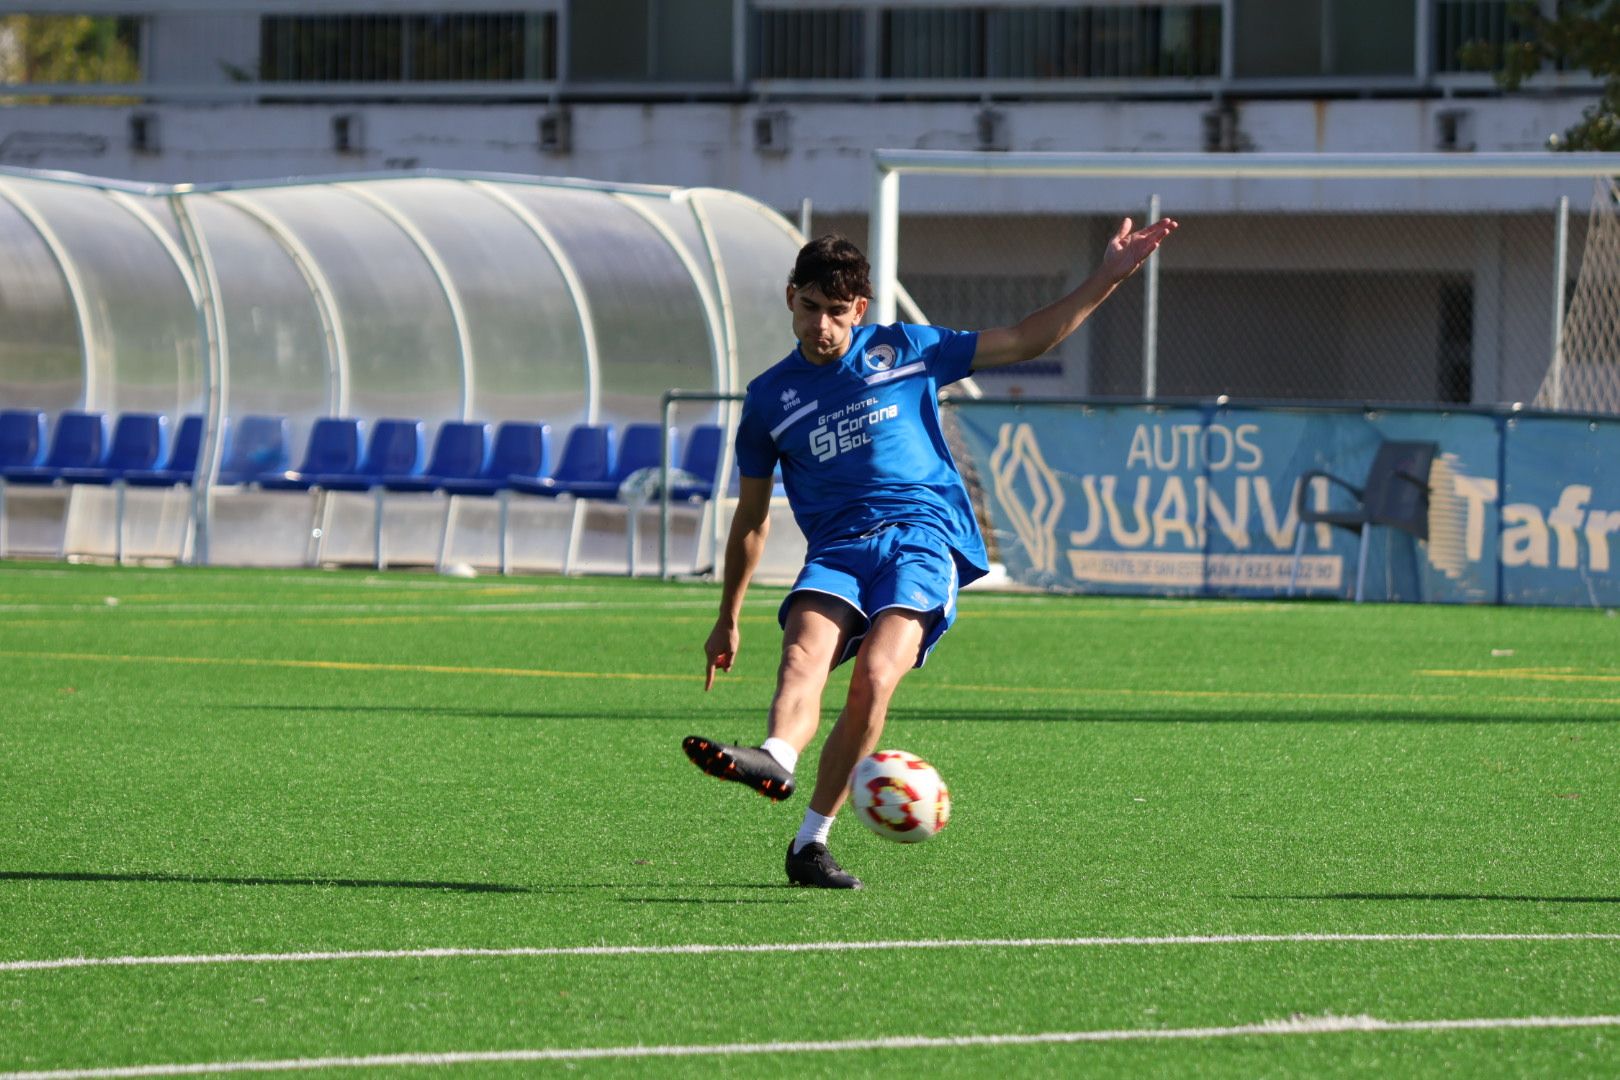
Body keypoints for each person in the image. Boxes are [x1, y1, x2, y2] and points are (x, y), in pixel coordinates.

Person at [683, 216, 1178, 889]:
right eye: (809, 309)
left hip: (921, 538)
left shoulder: (906, 348)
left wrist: (1108, 275)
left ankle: (811, 841)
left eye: (836, 313)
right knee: (802, 657)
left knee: (874, 679)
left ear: (859, 309)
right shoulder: (770, 399)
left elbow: (1029, 338)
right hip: (837, 548)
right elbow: (749, 519)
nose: (822, 327)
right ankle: (774, 757)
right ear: (789, 296)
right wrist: (727, 615)